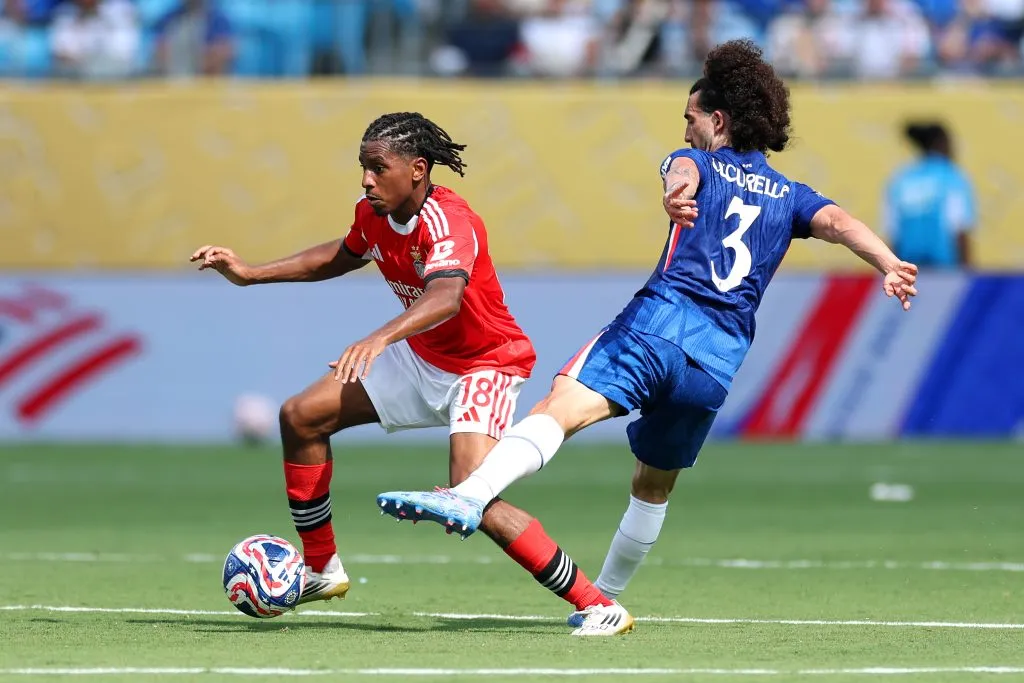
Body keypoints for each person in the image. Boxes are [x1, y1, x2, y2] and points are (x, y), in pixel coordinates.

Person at [376, 40, 920, 636]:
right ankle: (602, 603)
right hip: (716, 361)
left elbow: (682, 171)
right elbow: (840, 223)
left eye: (690, 119)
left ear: (718, 120)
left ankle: (471, 493)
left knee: (559, 408)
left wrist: (677, 189)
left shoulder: (698, 165)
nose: (684, 132)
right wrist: (889, 263)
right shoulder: (790, 194)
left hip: (659, 324)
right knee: (652, 485)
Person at [191, 112, 623, 633]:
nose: (366, 180)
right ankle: (322, 569)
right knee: (301, 417)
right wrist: (251, 274)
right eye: (363, 167)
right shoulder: (373, 213)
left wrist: (379, 337)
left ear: (418, 169)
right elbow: (344, 253)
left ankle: (598, 604)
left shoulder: (450, 220)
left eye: (378, 168)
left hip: (485, 364)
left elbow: (446, 295)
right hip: (420, 358)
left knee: (471, 494)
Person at [883, 121, 976, 268]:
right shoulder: (951, 176)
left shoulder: (901, 178)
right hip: (945, 269)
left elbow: (893, 230)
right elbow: (959, 227)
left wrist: (891, 270)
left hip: (907, 268)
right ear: (940, 143)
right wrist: (967, 269)